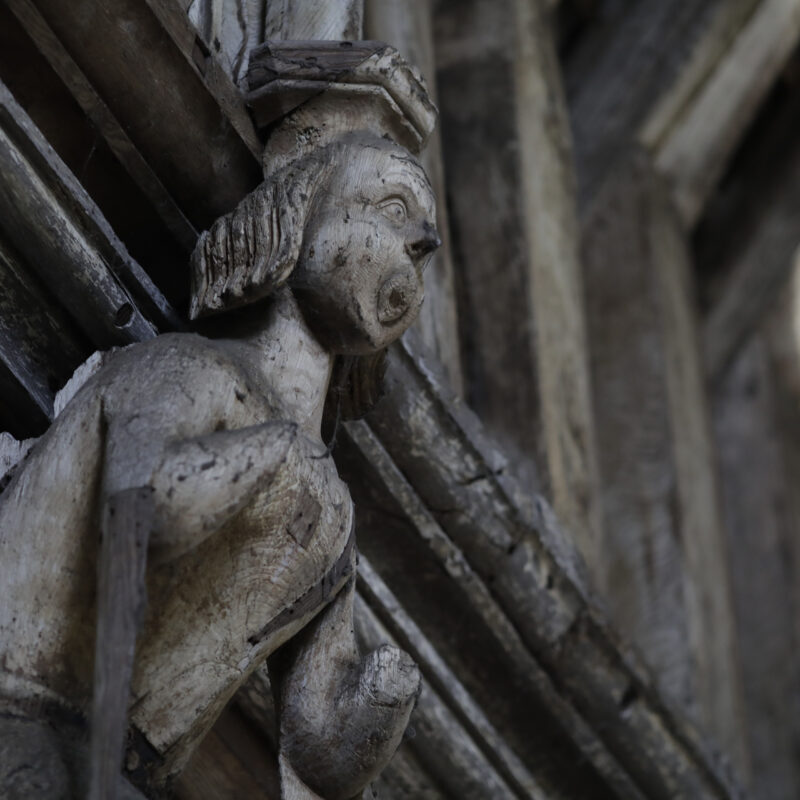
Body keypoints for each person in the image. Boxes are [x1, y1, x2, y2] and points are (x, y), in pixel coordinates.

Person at [0, 131, 440, 799]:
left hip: (123, 770)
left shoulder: (332, 517)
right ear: (299, 216)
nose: (420, 244)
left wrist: (381, 699)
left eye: (423, 232)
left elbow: (316, 748)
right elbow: (146, 511)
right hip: (20, 703)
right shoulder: (190, 371)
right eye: (391, 207)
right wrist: (272, 451)